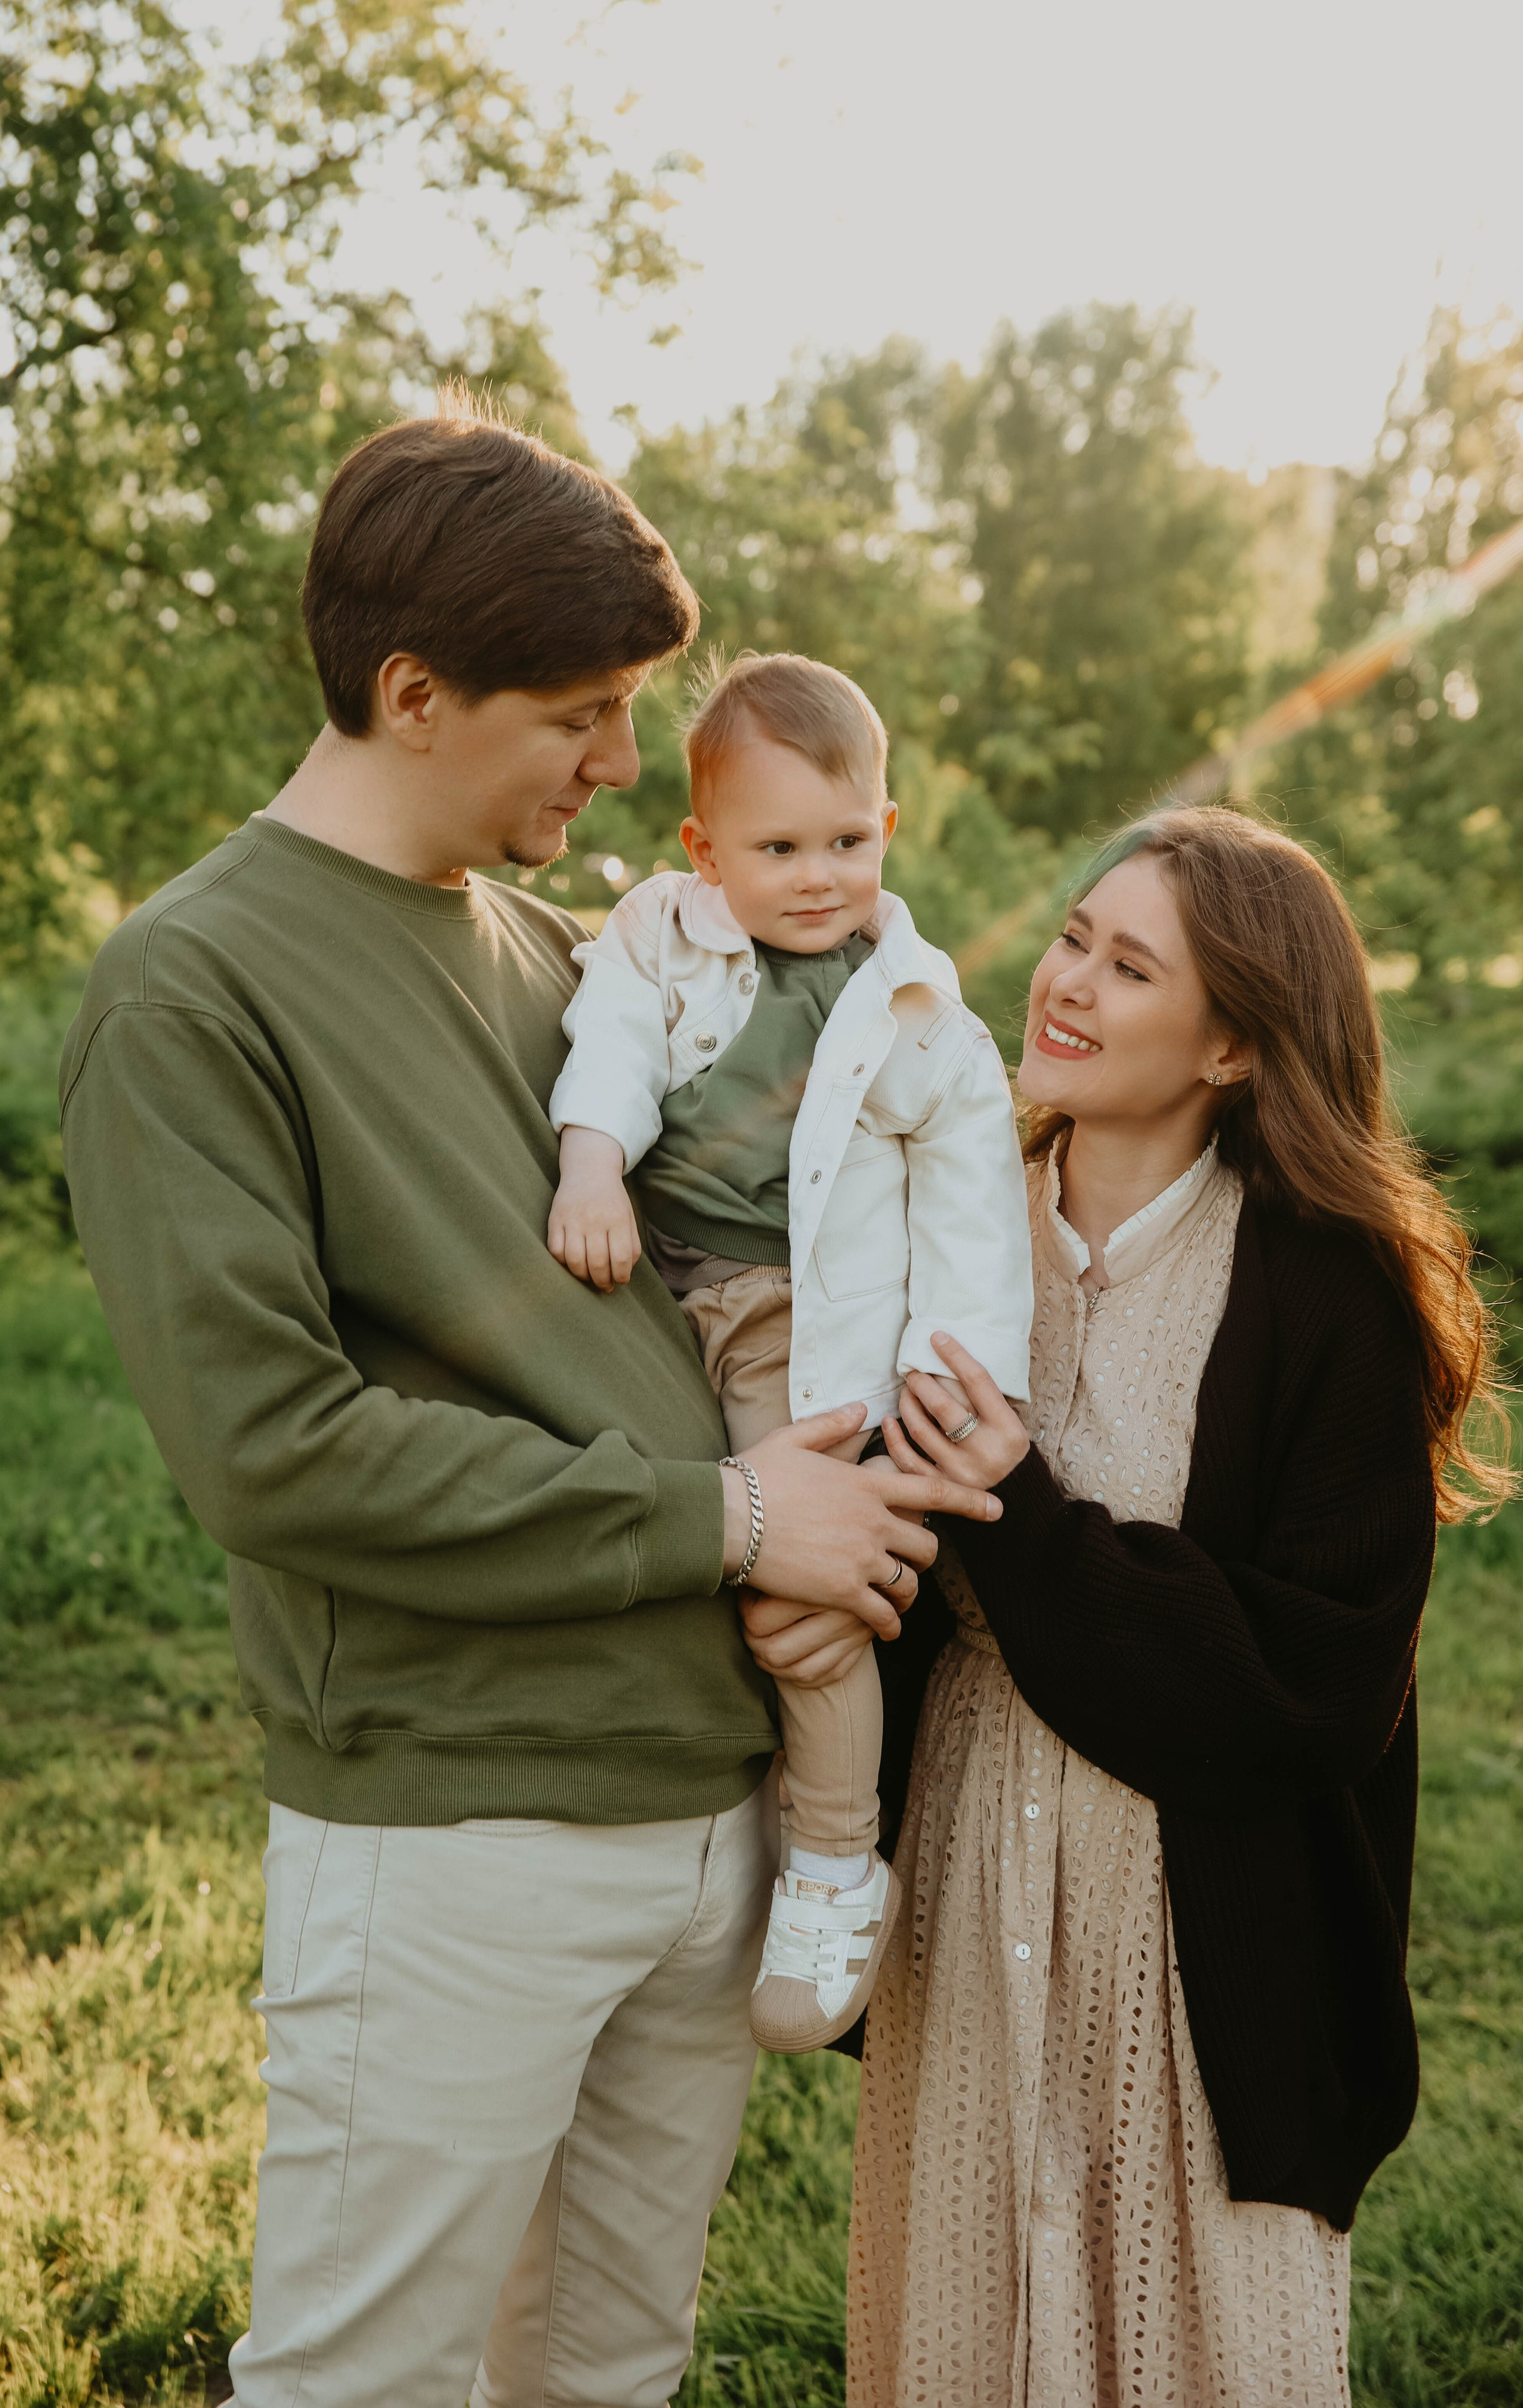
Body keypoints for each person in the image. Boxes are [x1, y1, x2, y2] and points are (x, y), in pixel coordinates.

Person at [57, 394, 1000, 2408]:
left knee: (604, 2373)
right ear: (413, 691)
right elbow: (274, 1450)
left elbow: (818, 1180)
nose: (625, 762)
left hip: (706, 1799)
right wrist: (738, 1522)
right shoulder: (190, 991)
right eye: (580, 710)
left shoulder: (586, 952)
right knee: (365, 2386)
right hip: (458, 1825)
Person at [743, 805, 1512, 2405]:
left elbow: (1310, 1689)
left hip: (1206, 1941)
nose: (1065, 983)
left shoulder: (1327, 1290)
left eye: (1128, 964)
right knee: (960, 2332)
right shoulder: (939, 1218)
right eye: (1074, 936)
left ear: (1232, 1043)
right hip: (963, 1869)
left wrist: (1022, 1522)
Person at [546, 650, 1034, 2052]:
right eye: (777, 847)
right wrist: (589, 1170)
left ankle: (830, 1864)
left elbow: (970, 1216)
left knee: (801, 1609)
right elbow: (611, 1048)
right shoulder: (658, 933)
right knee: (645, 1530)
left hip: (785, 1321)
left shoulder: (919, 1013)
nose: (818, 875)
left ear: (886, 829)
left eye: (845, 840)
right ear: (703, 851)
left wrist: (953, 1387)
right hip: (639, 1282)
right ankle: (660, 1815)